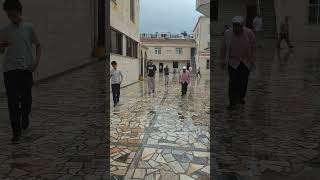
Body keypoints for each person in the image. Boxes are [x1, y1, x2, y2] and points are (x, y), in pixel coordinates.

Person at [0, 0, 42, 142]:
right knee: (12, 101)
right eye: (9, 15)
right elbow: (1, 50)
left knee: (26, 101)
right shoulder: (4, 31)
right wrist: (2, 46)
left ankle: (24, 116)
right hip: (9, 70)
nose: (11, 17)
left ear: (19, 12)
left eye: (13, 14)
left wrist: (36, 62)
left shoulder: (29, 27)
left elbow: (38, 45)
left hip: (25, 70)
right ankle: (16, 132)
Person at [220, 16, 256, 110]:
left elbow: (253, 47)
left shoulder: (249, 33)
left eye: (238, 26)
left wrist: (252, 60)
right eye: (234, 25)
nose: (236, 28)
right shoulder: (227, 33)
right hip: (233, 62)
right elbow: (223, 48)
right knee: (232, 82)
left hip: (245, 62)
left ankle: (241, 97)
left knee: (243, 82)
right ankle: (232, 102)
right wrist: (222, 60)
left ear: (242, 25)